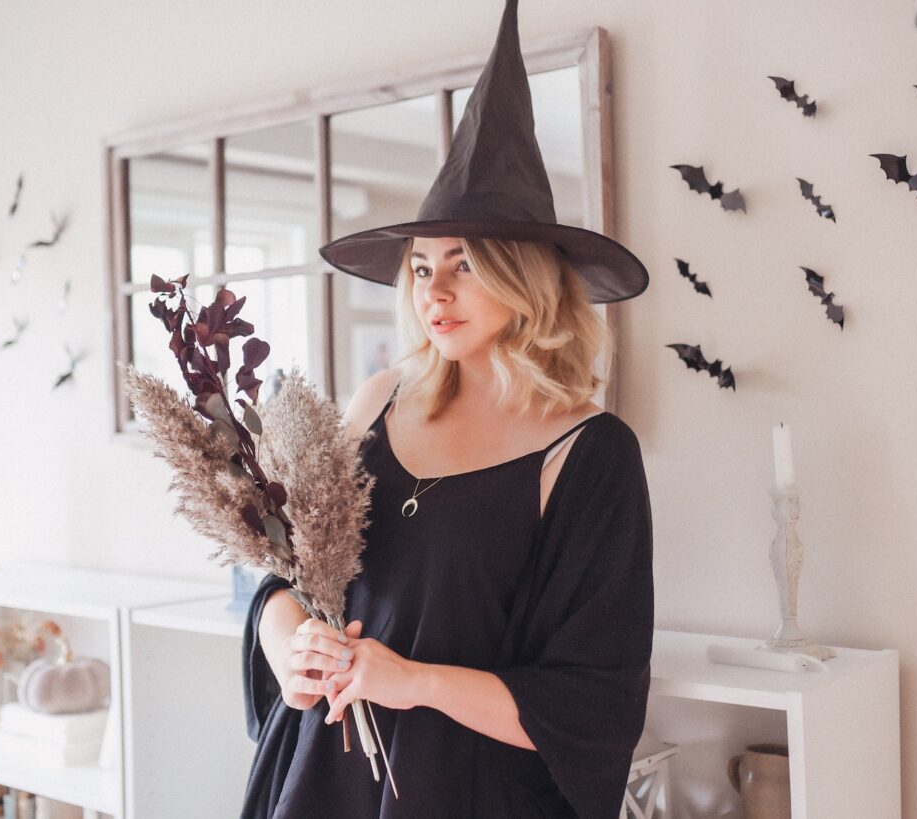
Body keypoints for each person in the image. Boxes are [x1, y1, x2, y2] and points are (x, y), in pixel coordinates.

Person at [241, 2, 653, 816]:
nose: (436, 291)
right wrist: (293, 647)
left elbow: (590, 704)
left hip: (466, 794)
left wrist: (413, 681)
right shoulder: (378, 399)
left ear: (525, 277)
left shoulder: (588, 453)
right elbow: (282, 581)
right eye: (422, 267)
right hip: (320, 775)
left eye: (464, 264)